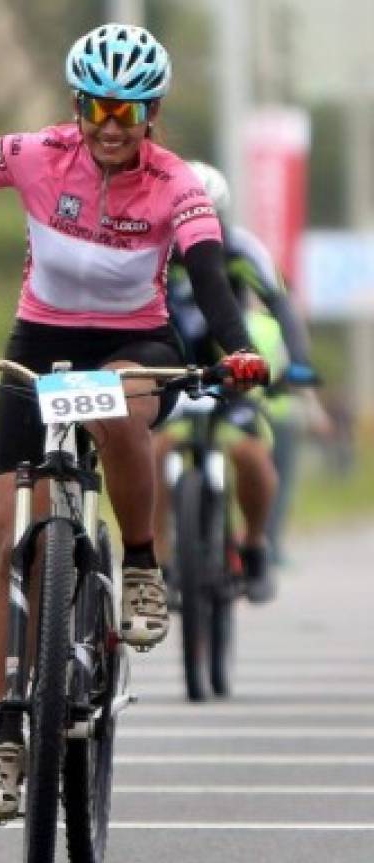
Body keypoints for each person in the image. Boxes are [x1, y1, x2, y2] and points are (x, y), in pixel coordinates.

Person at [0, 19, 270, 820]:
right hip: (37, 344)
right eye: (95, 109)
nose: (109, 129)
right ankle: (7, 735)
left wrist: (240, 349)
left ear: (151, 115)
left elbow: (211, 282)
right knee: (13, 546)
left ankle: (142, 565)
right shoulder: (36, 154)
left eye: (128, 112)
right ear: (77, 106)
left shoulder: (176, 183)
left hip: (133, 342)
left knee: (115, 404)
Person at [156, 161, 324, 600]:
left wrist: (298, 364)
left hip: (230, 366)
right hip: (168, 365)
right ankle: (157, 565)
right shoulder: (148, 247)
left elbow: (280, 305)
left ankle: (254, 545)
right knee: (153, 451)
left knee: (250, 453)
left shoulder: (241, 249)